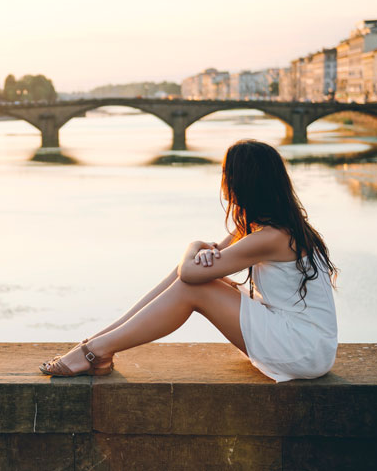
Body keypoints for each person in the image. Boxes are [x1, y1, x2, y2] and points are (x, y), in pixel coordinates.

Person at [39, 139, 339, 382]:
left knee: (193, 287)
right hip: (304, 344)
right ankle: (96, 343)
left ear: (242, 182)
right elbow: (204, 265)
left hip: (303, 349)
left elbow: (191, 274)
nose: (223, 181)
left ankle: (96, 350)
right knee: (199, 278)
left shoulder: (271, 236)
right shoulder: (266, 226)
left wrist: (194, 245)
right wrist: (200, 258)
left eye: (226, 174)